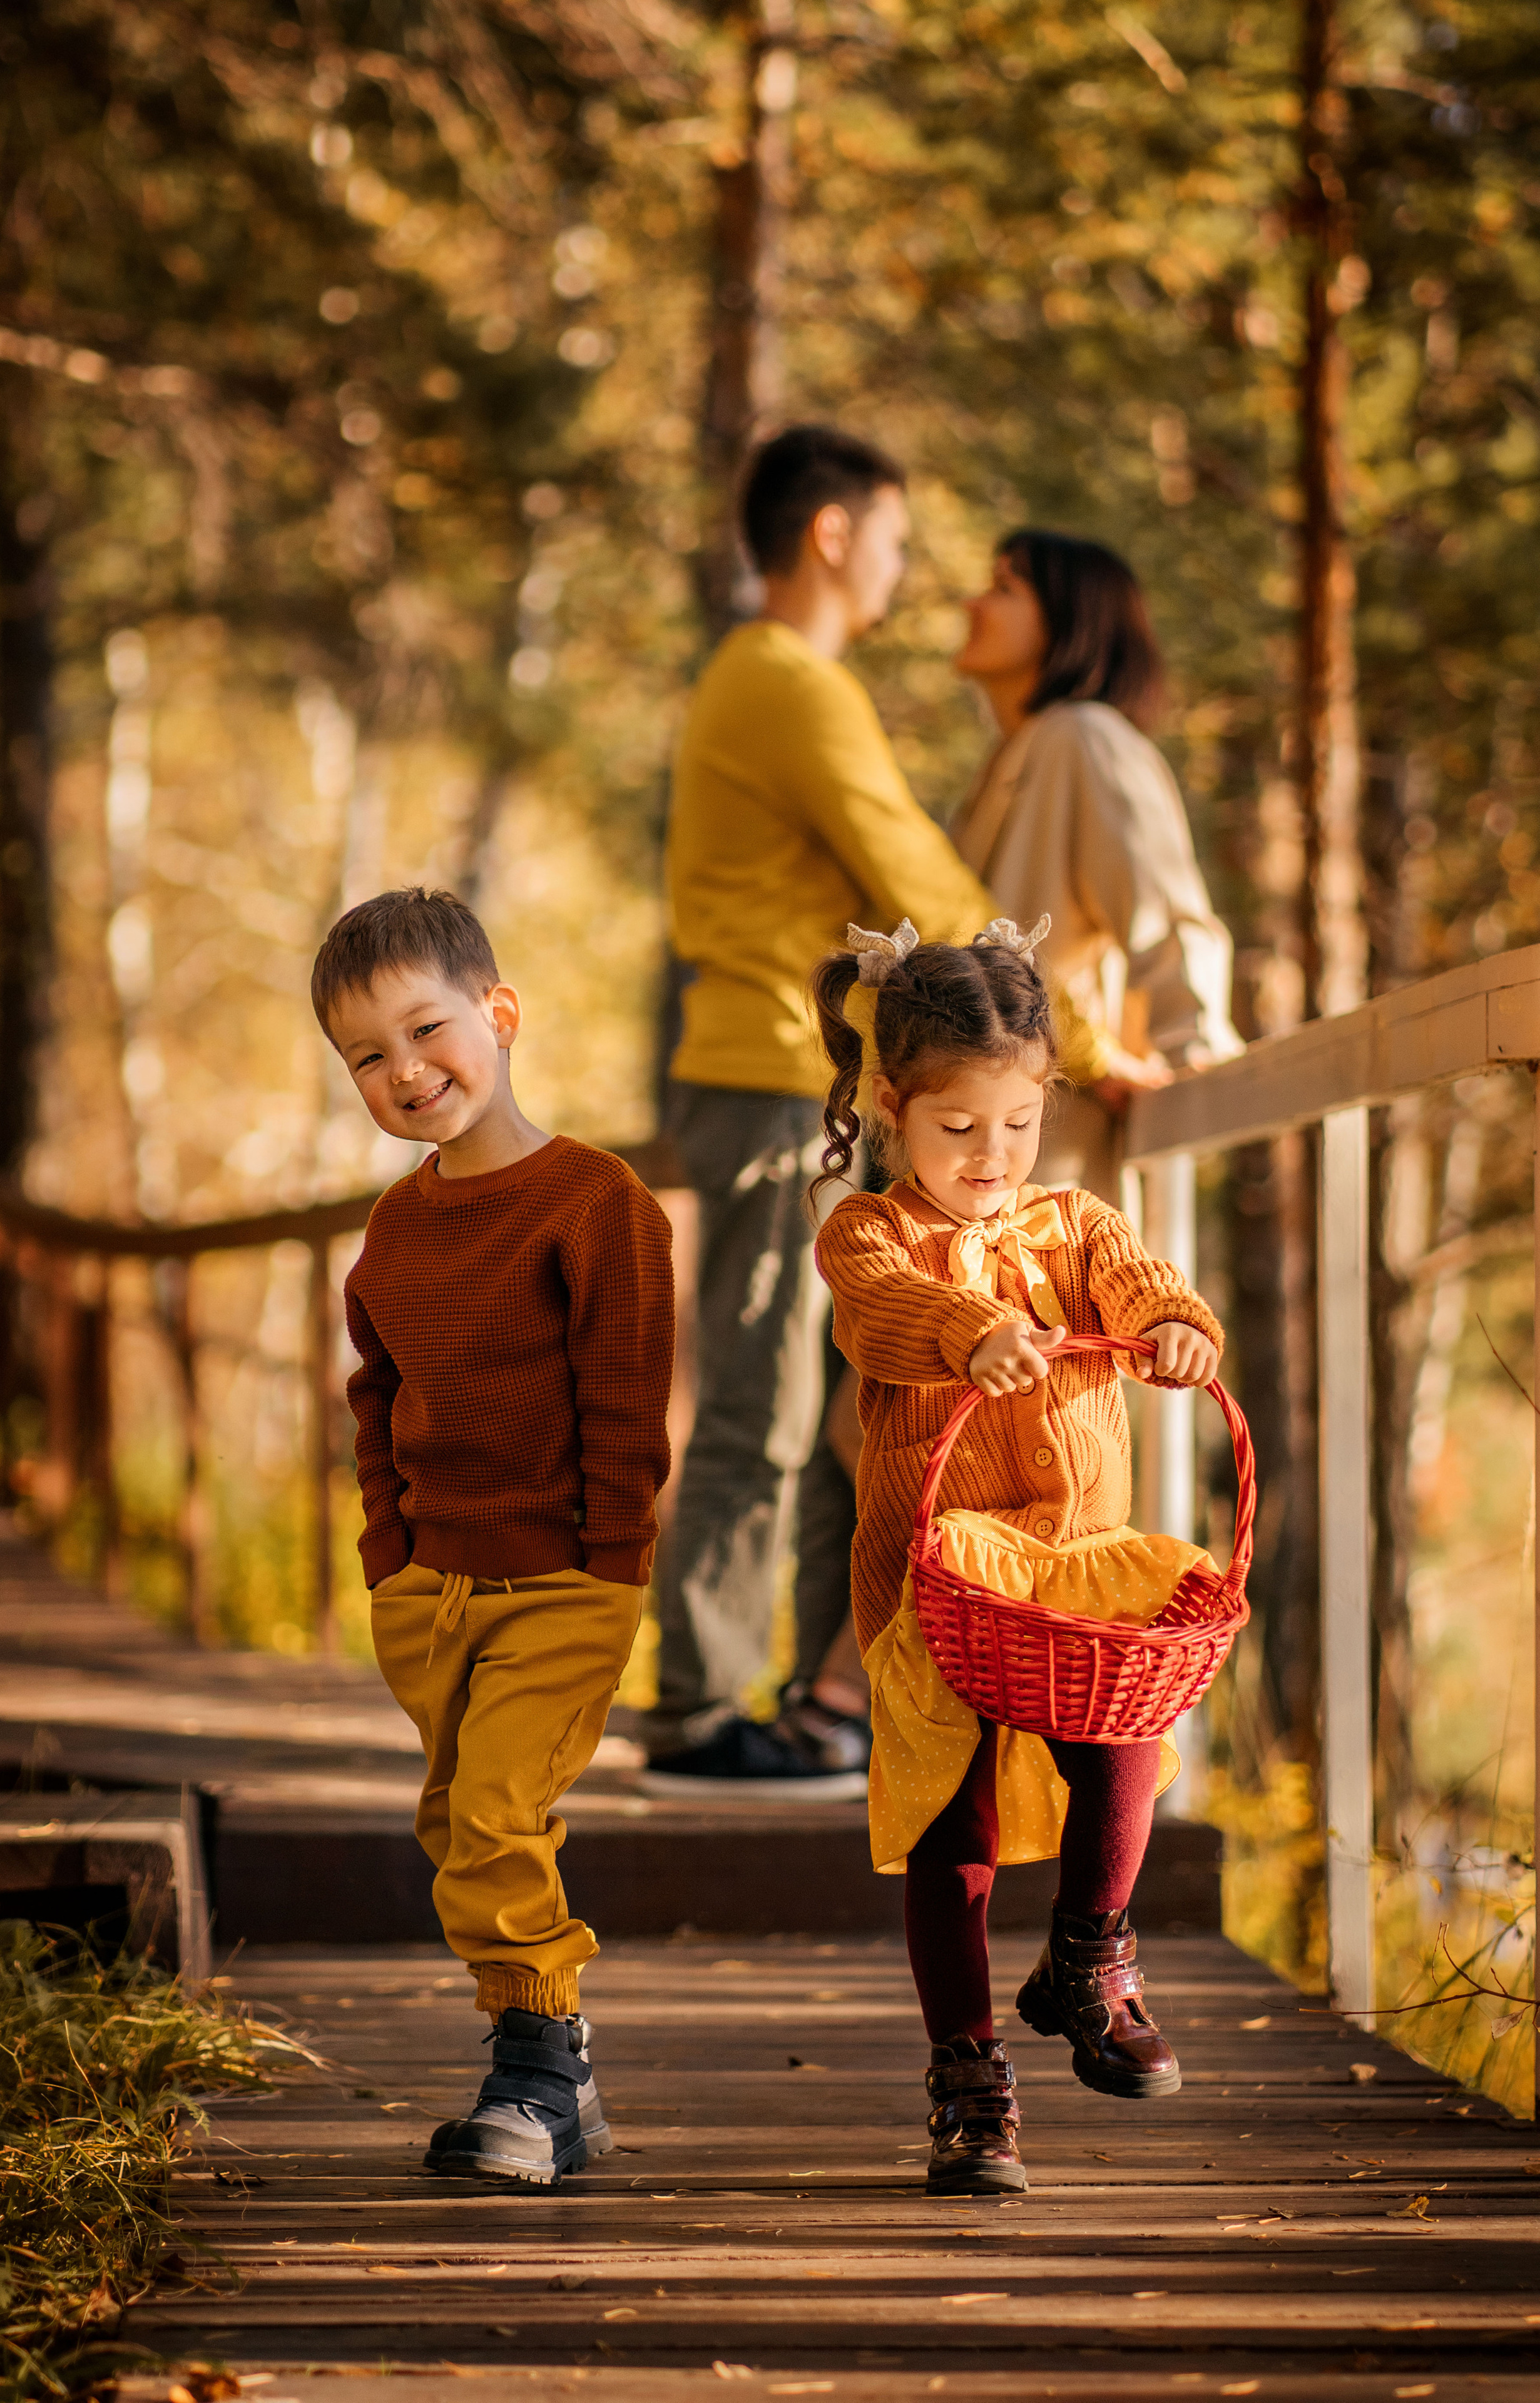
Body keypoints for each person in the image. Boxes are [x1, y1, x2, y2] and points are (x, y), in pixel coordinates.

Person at [646, 424, 1035, 1798]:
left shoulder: (769, 680)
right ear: (830, 533)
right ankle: (697, 1717)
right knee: (758, 1399)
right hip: (765, 1080)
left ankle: (808, 1709)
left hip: (794, 1079)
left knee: (829, 1404)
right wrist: (1050, 1023)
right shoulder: (783, 682)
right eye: (893, 535)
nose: (901, 564)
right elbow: (906, 864)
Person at [810, 917, 1223, 2191]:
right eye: (958, 1128)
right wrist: (970, 1329)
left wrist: (1173, 1326)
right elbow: (884, 1313)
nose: (992, 1156)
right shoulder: (867, 1233)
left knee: (1126, 1739)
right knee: (957, 1824)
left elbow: (1140, 1276)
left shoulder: (1075, 1224)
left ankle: (1089, 1955)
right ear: (892, 1110)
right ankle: (968, 2075)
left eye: (1020, 1123)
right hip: (938, 1576)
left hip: (1070, 1564)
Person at [312, 887, 675, 2185]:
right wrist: (388, 1559)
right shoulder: (394, 1227)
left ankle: (536, 2073)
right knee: (457, 1823)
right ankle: (558, 2078)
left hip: (564, 1580)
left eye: (427, 1030)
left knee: (497, 1813)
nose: (406, 1071)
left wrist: (612, 1564)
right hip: (432, 1588)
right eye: (368, 1056)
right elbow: (377, 1397)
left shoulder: (596, 1203)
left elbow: (626, 1400)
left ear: (501, 1015)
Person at [949, 529, 1242, 1199]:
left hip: (1054, 1150)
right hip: (979, 1147)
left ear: (1069, 618)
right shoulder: (1013, 759)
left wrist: (1195, 1049)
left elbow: (1160, 903)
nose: (972, 605)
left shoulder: (1086, 737)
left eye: (1003, 589)